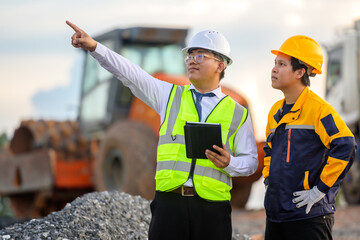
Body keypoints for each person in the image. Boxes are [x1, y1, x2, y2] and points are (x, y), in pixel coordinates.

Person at [66, 21, 258, 240]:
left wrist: (229, 163)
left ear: (220, 65)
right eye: (190, 55)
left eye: (200, 56)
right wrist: (94, 47)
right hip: (169, 205)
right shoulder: (169, 95)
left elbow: (251, 162)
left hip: (212, 208)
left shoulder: (238, 113)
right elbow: (130, 73)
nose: (192, 60)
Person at [262, 35, 356, 240]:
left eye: (281, 64)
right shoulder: (275, 111)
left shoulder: (319, 110)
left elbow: (346, 145)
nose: (274, 69)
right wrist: (269, 179)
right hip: (277, 214)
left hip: (309, 215)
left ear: (300, 71)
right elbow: (269, 149)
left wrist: (320, 189)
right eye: (275, 63)